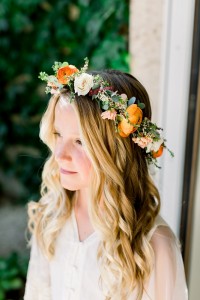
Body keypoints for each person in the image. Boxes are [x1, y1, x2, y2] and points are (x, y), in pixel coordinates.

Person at [24, 58, 188, 300]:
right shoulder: (51, 218)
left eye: (80, 142)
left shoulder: (153, 247)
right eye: (58, 135)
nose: (59, 155)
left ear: (115, 152)